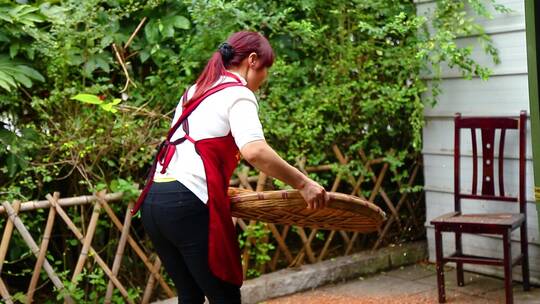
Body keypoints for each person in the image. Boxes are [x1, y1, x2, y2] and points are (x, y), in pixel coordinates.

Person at [134, 31, 329, 304]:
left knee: (190, 296)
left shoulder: (195, 90)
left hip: (154, 202)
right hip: (185, 204)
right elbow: (255, 151)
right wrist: (303, 183)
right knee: (224, 298)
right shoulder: (238, 92)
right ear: (252, 60)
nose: (265, 78)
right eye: (266, 69)